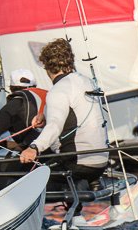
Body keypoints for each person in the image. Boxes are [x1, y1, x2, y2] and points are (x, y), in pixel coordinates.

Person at [19, 38, 108, 189]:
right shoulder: (88, 82)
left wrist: (33, 148)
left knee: (24, 178)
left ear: (47, 66)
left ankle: (71, 195)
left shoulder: (59, 89)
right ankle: (86, 190)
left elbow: (55, 126)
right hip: (101, 163)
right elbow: (76, 111)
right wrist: (44, 115)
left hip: (76, 165)